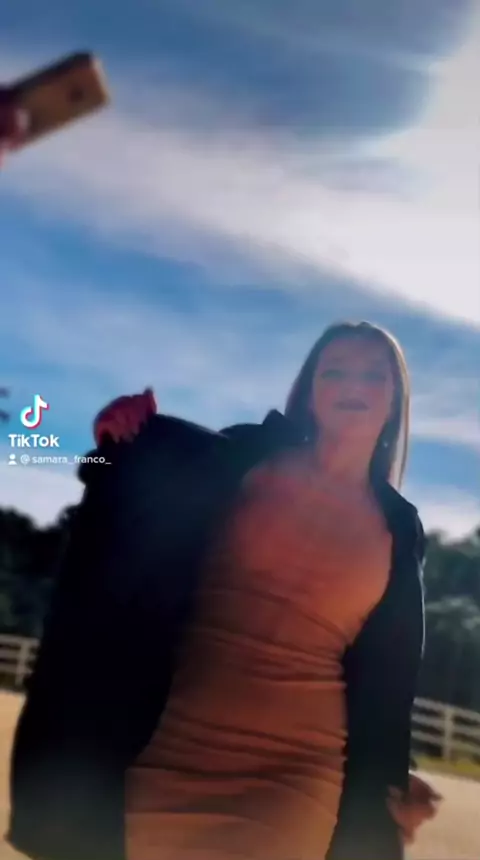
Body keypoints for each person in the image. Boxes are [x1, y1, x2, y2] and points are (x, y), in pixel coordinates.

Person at [9, 320, 441, 860]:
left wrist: (390, 773)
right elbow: (123, 512)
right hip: (167, 739)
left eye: (373, 374)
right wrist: (119, 443)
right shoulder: (234, 457)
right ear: (310, 391)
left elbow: (387, 672)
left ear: (396, 399)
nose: (353, 384)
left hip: (298, 772)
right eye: (335, 371)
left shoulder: (400, 528)